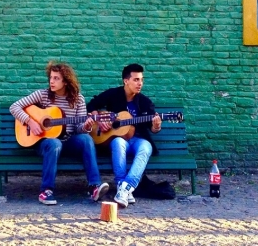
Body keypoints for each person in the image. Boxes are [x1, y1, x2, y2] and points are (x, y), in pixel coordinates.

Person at [9, 61, 109, 206]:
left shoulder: (77, 99)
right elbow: (15, 107)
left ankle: (94, 187)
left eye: (56, 78)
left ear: (66, 82)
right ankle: (46, 191)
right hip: (45, 143)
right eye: (51, 77)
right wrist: (30, 121)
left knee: (86, 139)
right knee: (54, 143)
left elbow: (77, 129)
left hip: (68, 141)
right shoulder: (42, 95)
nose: (52, 81)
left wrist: (86, 126)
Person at [87, 63, 161, 208]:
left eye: (141, 80)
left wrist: (156, 126)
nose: (140, 83)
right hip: (119, 139)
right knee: (118, 143)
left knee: (146, 148)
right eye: (136, 80)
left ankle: (125, 187)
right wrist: (99, 119)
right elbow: (91, 105)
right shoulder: (113, 94)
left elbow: (153, 128)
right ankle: (122, 185)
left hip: (139, 139)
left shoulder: (145, 102)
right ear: (126, 81)